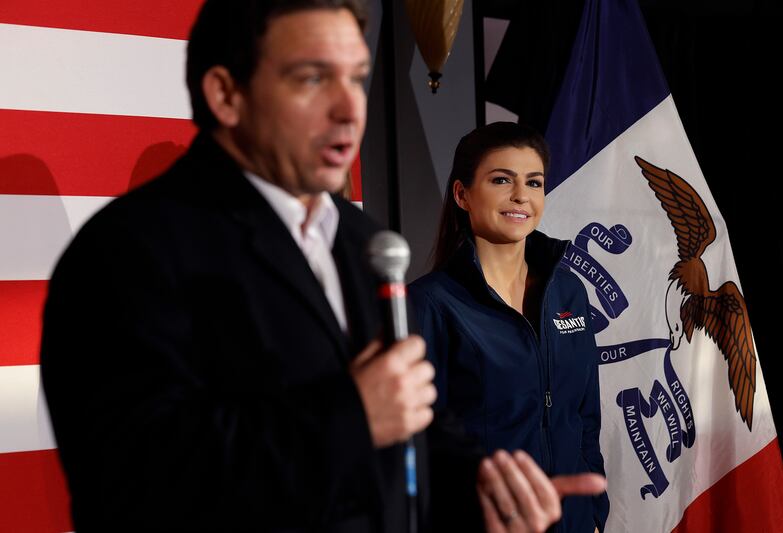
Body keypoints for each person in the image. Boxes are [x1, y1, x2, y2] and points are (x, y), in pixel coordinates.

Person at [40, 1, 603, 530]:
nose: (348, 107)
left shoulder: (360, 241)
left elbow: (410, 427)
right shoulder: (130, 250)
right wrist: (351, 418)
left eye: (357, 78)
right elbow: (133, 482)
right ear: (226, 94)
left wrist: (478, 484)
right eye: (312, 79)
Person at [410, 122, 610, 532]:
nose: (521, 195)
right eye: (502, 180)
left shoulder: (569, 291)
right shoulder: (430, 304)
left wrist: (592, 512)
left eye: (534, 182)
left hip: (571, 519)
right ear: (463, 195)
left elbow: (585, 416)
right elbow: (419, 445)